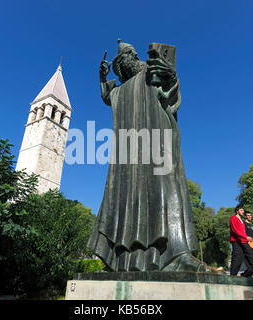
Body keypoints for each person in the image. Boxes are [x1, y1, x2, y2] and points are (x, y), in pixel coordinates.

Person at [87, 41, 200, 272]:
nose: (136, 57)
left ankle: (176, 255)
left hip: (157, 148)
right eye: (130, 55)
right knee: (121, 201)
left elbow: (169, 89)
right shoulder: (120, 91)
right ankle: (118, 261)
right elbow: (107, 97)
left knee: (166, 192)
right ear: (122, 65)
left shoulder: (150, 74)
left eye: (135, 54)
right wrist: (101, 78)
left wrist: (170, 75)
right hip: (127, 160)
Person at [229, 206, 253, 285]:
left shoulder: (242, 221)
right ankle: (232, 279)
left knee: (252, 260)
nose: (243, 211)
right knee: (237, 261)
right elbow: (235, 230)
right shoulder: (233, 218)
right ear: (237, 211)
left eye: (243, 210)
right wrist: (245, 237)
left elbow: (243, 231)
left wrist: (246, 238)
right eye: (241, 210)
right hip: (237, 242)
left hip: (244, 242)